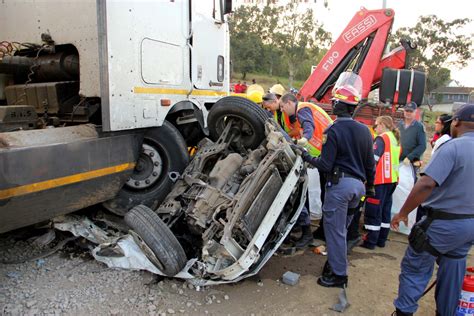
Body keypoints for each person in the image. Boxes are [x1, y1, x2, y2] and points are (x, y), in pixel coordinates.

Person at [391, 103, 474, 316]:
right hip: (469, 226)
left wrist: (402, 212)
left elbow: (427, 184)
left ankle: (404, 312)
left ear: (456, 122)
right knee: (453, 270)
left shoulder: (453, 147)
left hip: (442, 224)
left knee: (415, 268)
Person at [296, 72, 376, 287]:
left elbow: (325, 165)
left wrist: (305, 156)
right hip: (358, 189)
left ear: (339, 106)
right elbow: (370, 163)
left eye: (334, 102)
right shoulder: (365, 131)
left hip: (339, 188)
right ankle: (334, 264)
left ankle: (339, 275)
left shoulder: (333, 131)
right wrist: (370, 188)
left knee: (335, 233)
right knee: (342, 230)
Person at [279, 93, 333, 248]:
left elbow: (309, 126)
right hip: (325, 155)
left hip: (326, 156)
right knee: (325, 195)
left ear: (289, 103)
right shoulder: (300, 112)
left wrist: (305, 139)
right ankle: (322, 231)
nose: (282, 110)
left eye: (283, 107)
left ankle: (323, 232)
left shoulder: (302, 109)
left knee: (327, 196)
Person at [361, 116, 400, 249]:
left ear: (382, 125)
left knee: (374, 211)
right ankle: (381, 240)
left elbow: (373, 160)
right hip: (392, 180)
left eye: (375, 125)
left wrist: (366, 177)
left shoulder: (382, 138)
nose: (375, 128)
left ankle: (370, 241)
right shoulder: (394, 138)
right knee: (384, 212)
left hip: (380, 180)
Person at [398, 101, 426, 169]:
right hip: (398, 159)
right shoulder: (399, 125)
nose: (408, 113)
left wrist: (410, 157)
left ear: (415, 112)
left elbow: (422, 146)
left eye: (411, 111)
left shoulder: (419, 127)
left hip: (410, 162)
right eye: (407, 111)